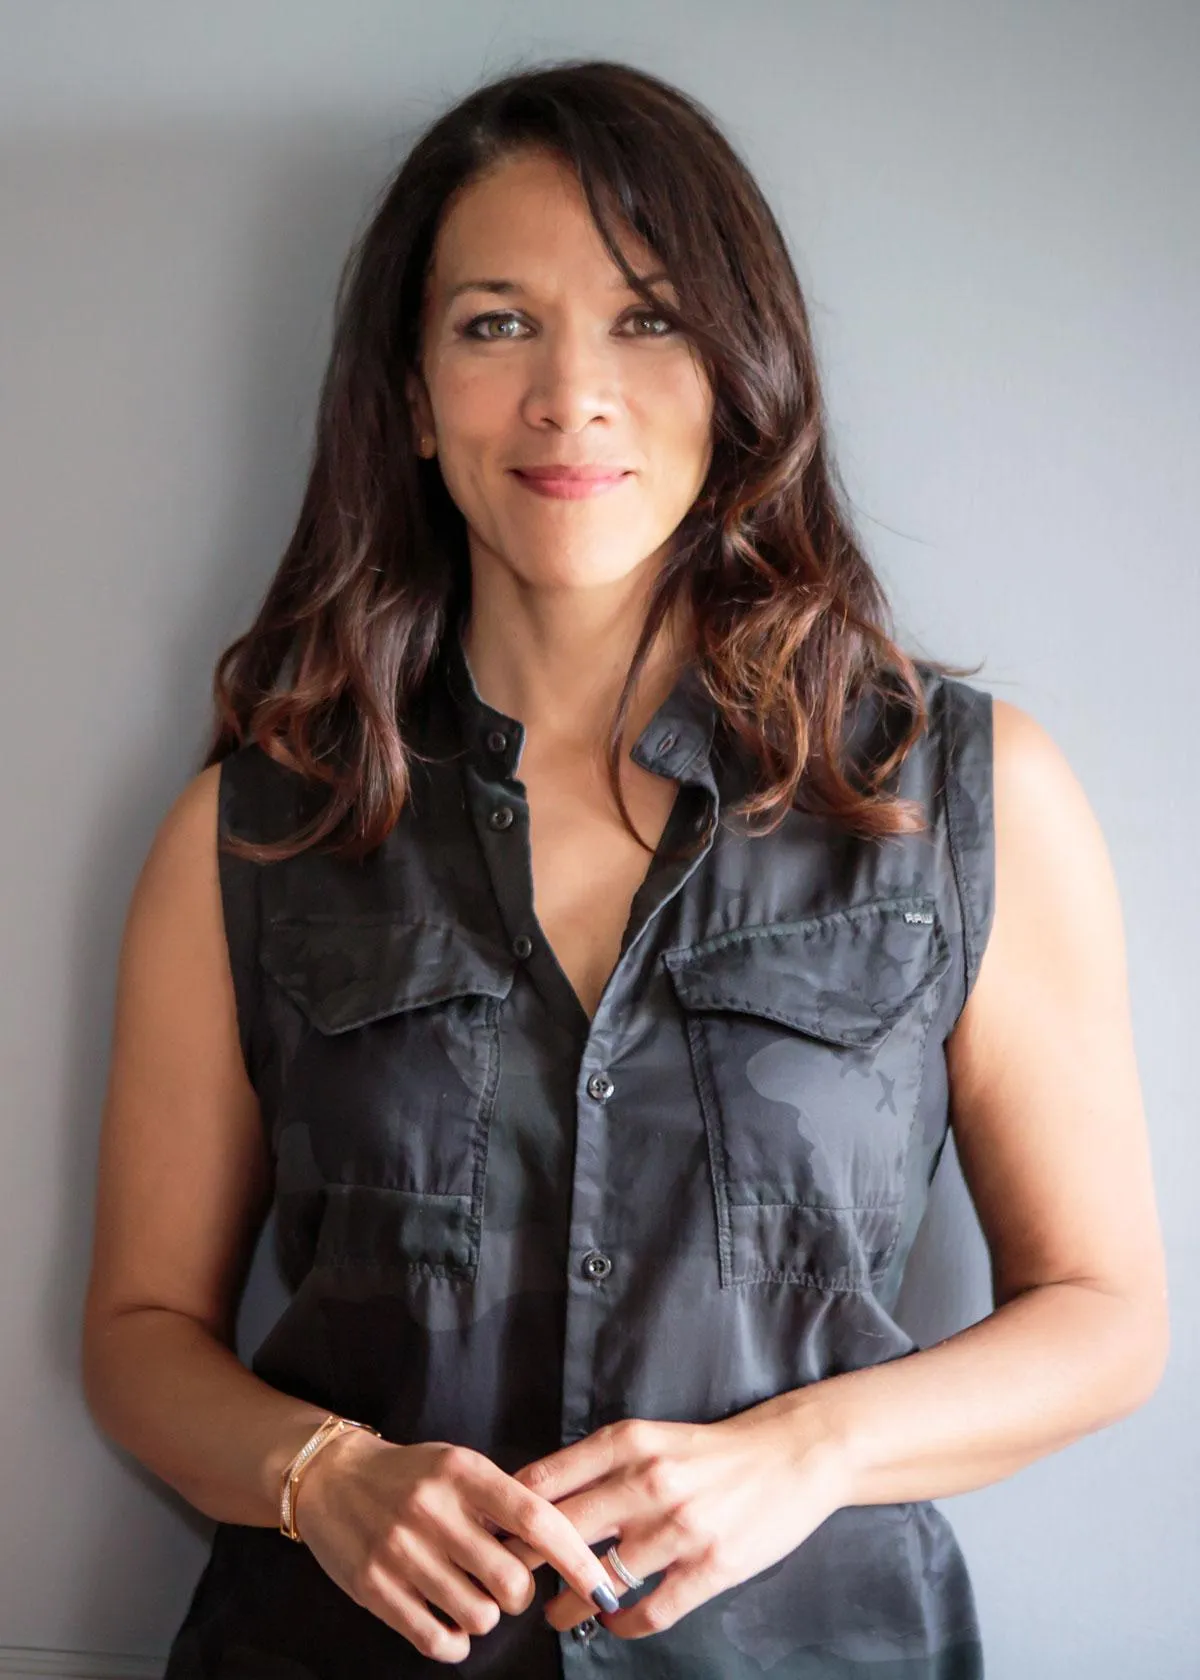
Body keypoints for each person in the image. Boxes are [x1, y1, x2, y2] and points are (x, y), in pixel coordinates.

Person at [81, 56, 1168, 1680]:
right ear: (409, 396)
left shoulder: (960, 798)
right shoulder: (260, 829)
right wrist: (321, 1479)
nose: (569, 395)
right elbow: (140, 1340)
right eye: (495, 322)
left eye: (647, 318)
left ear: (739, 374)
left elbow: (1104, 1315)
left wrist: (809, 1452)